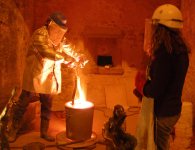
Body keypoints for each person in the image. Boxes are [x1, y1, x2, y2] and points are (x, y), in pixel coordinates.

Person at [6, 12, 87, 142]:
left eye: (61, 31)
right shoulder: (39, 35)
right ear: (50, 24)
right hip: (35, 73)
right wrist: (67, 59)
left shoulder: (58, 38)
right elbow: (46, 51)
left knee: (47, 104)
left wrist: (78, 56)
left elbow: (68, 47)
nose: (59, 34)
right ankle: (12, 130)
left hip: (49, 76)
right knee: (23, 103)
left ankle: (44, 132)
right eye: (57, 29)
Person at [135, 4, 190, 150]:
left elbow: (156, 90)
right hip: (173, 110)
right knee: (163, 143)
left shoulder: (165, 53)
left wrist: (141, 86)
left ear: (161, 28)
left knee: (159, 147)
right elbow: (170, 82)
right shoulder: (181, 50)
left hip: (164, 113)